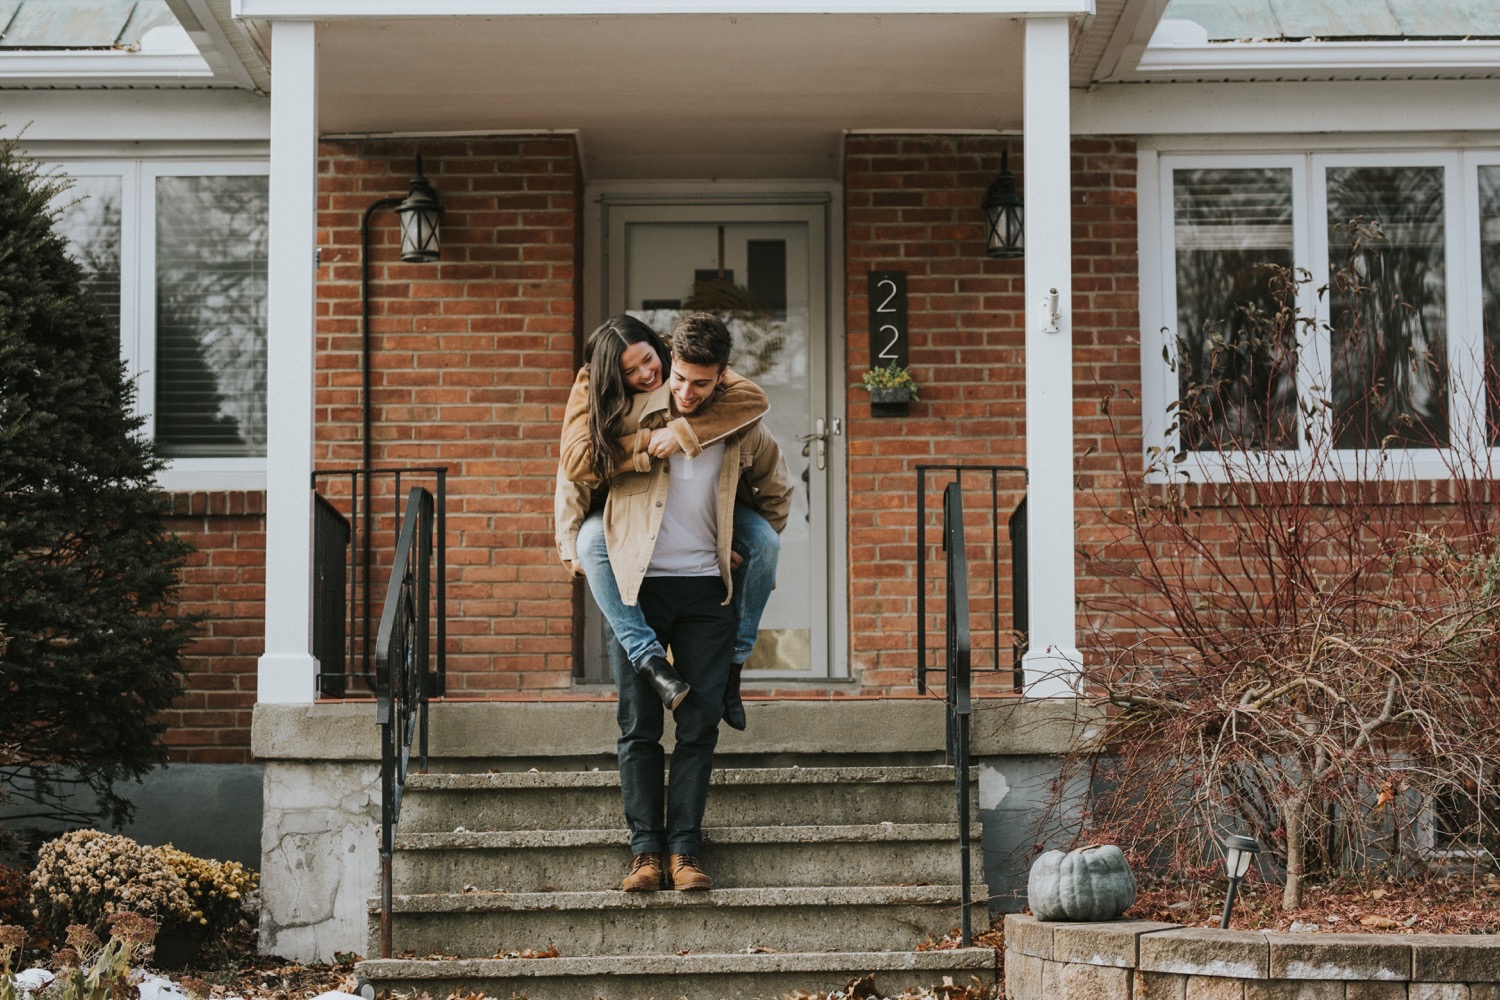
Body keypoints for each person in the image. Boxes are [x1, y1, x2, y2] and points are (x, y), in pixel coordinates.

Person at [558, 312, 793, 892]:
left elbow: (777, 490)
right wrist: (572, 545)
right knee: (638, 727)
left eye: (699, 383)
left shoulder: (738, 422)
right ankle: (645, 853)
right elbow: (574, 475)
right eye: (676, 379)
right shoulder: (626, 415)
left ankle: (685, 849)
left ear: (719, 379)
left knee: (697, 728)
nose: (684, 392)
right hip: (637, 587)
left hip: (705, 590)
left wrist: (742, 542)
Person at [555, 315, 781, 729]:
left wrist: (684, 432)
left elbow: (754, 401)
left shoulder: (687, 363)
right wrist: (568, 542)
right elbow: (573, 465)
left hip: (710, 515)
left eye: (648, 360)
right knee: (590, 544)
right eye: (630, 371)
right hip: (621, 504)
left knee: (766, 544)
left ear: (661, 350)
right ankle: (647, 657)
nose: (646, 374)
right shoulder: (593, 384)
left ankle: (735, 665)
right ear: (611, 374)